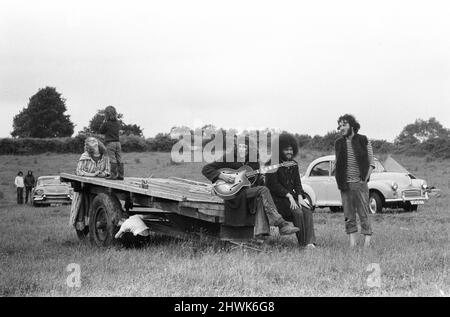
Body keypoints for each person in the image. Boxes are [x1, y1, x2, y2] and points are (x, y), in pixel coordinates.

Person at [202, 136, 299, 238]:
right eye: (240, 146)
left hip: (245, 191)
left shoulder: (253, 162)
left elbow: (255, 182)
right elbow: (206, 169)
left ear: (249, 149)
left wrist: (261, 177)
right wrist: (222, 176)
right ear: (236, 147)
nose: (242, 149)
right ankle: (281, 225)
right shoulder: (228, 157)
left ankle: (262, 234)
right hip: (231, 193)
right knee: (263, 191)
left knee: (262, 192)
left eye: (244, 147)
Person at [266, 133, 316, 248]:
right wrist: (288, 195)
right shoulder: (272, 163)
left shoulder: (294, 163)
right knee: (297, 212)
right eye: (286, 150)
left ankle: (310, 242)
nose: (289, 152)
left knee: (307, 210)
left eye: (291, 150)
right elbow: (273, 185)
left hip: (291, 198)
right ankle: (303, 244)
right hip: (276, 200)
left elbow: (298, 183)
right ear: (279, 149)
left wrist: (299, 197)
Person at [335, 114, 375, 248]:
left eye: (344, 125)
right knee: (348, 214)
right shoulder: (338, 143)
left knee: (363, 213)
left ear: (352, 125)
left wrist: (364, 180)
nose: (341, 128)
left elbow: (371, 163)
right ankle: (352, 244)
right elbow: (337, 162)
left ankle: (367, 243)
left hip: (360, 183)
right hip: (344, 184)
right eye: (339, 125)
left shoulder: (363, 140)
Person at [71, 137, 111, 232]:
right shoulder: (85, 156)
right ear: (88, 145)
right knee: (84, 206)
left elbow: (108, 171)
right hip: (86, 187)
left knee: (99, 205)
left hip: (100, 186)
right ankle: (82, 229)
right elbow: (79, 171)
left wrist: (103, 174)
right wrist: (92, 174)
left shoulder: (104, 156)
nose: (95, 142)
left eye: (95, 140)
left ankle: (97, 226)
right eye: (91, 141)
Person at [99, 105, 123, 180]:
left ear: (106, 114)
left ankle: (113, 175)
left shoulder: (106, 123)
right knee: (119, 159)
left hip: (110, 143)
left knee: (112, 159)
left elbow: (101, 131)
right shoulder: (117, 122)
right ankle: (121, 175)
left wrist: (104, 122)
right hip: (118, 143)